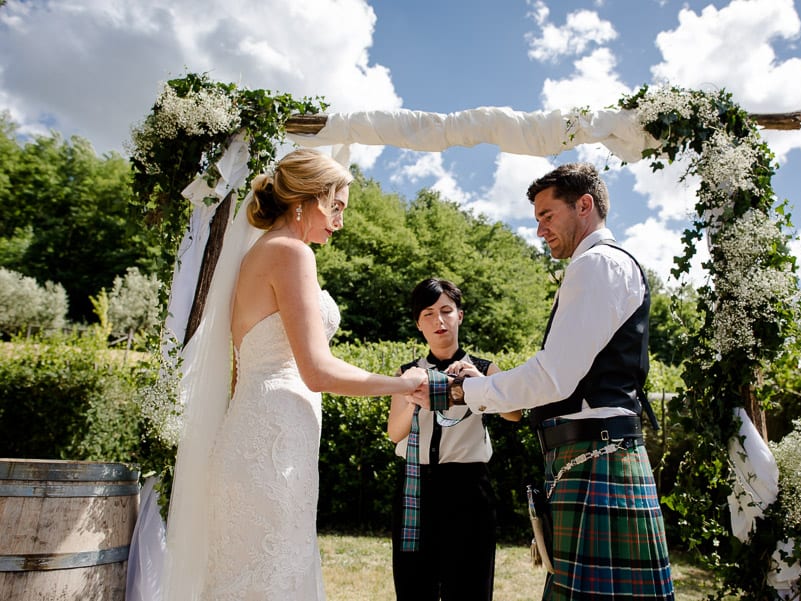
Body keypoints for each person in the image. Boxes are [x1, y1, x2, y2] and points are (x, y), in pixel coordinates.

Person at [163, 148, 427, 600]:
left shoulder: (258, 253)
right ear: (308, 198)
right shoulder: (291, 252)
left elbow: (239, 371)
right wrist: (405, 383)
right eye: (336, 207)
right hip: (273, 440)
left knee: (253, 573)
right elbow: (318, 370)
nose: (339, 222)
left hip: (260, 431)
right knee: (270, 573)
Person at [411, 163, 675, 601]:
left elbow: (553, 375)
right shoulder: (593, 267)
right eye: (537, 219)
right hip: (588, 454)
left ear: (584, 206)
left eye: (547, 215)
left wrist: (465, 391)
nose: (539, 230)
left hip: (597, 454)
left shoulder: (599, 265)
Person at [388, 278, 521, 601]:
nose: (439, 320)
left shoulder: (484, 368)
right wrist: (411, 395)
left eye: (446, 311)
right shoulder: (407, 373)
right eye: (429, 314)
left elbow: (514, 414)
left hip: (468, 488)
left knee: (470, 588)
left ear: (460, 315)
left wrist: (482, 386)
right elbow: (395, 433)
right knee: (413, 586)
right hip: (415, 487)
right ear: (419, 323)